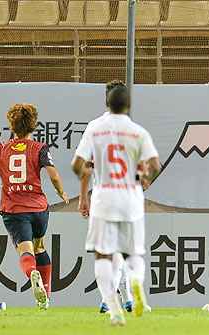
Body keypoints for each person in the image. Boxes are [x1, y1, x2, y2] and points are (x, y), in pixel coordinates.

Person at [72, 84, 160, 326]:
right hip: (131, 198)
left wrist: (85, 191)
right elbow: (154, 165)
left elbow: (79, 166)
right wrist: (143, 180)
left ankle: (113, 308)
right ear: (129, 104)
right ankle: (135, 283)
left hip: (104, 197)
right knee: (132, 252)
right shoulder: (137, 132)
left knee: (103, 254)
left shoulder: (95, 129)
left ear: (107, 102)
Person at [0, 103, 69, 309]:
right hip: (39, 209)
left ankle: (32, 273)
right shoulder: (40, 148)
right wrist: (61, 192)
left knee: (26, 251)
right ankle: (45, 295)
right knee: (39, 246)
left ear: (11, 126)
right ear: (33, 125)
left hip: (14, 209)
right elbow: (53, 174)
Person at [77, 80, 136, 314]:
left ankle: (108, 296)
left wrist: (83, 197)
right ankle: (126, 297)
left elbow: (86, 167)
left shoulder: (94, 127)